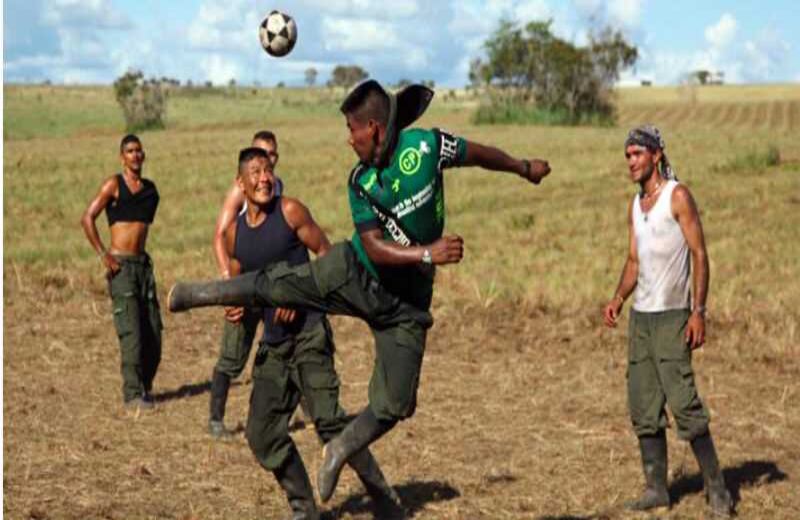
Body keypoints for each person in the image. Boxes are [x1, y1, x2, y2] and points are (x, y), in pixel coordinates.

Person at [167, 80, 551, 503]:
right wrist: (427, 253)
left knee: (396, 403)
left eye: (353, 129)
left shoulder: (427, 147)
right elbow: (372, 247)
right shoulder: (360, 180)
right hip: (357, 273)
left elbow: (478, 154)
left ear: (375, 128)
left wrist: (521, 166)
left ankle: (340, 448)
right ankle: (202, 293)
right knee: (282, 284)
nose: (349, 139)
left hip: (406, 305)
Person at [224, 146, 400, 519]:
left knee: (330, 423)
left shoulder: (290, 212)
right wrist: (239, 306)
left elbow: (330, 259)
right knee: (261, 434)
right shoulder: (235, 235)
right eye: (254, 172)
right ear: (240, 183)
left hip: (309, 335)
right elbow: (245, 287)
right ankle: (305, 509)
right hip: (273, 346)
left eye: (268, 170)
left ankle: (384, 500)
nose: (264, 178)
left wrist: (302, 295)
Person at [602, 125, 733, 517]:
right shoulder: (635, 203)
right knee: (643, 406)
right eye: (627, 156)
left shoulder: (677, 196)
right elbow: (633, 261)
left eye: (637, 154)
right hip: (641, 319)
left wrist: (698, 311)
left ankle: (718, 489)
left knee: (684, 405)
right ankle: (656, 488)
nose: (631, 162)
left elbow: (700, 254)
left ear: (656, 155)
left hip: (674, 317)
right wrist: (618, 298)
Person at [208, 130, 290, 439]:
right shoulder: (240, 190)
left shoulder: (276, 187)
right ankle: (216, 419)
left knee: (284, 346)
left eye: (271, 155)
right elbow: (220, 235)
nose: (266, 161)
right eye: (260, 153)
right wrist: (229, 283)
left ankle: (305, 413)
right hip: (243, 281)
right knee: (232, 354)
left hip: (271, 283)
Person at [80, 134, 162, 409]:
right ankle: (132, 394)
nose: (135, 155)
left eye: (139, 150)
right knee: (131, 334)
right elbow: (87, 217)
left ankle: (144, 387)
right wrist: (104, 255)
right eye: (130, 151)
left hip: (143, 267)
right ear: (122, 157)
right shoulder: (113, 185)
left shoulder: (151, 191)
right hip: (121, 267)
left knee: (153, 333)